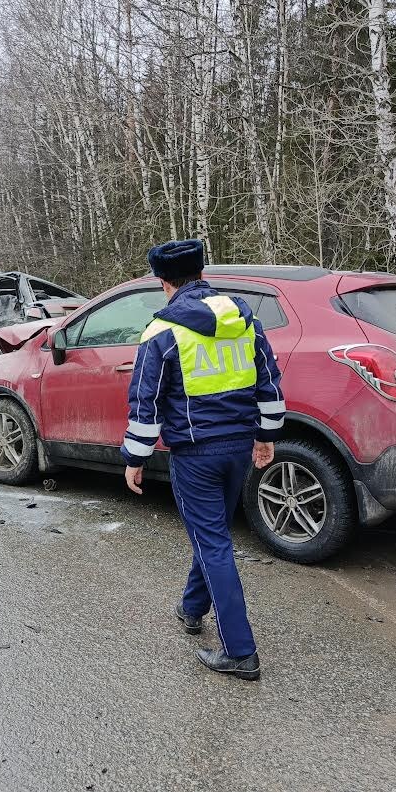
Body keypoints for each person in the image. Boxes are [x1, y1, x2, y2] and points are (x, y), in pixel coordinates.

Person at [121, 239, 285, 681]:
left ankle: (240, 651)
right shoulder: (245, 320)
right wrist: (266, 435)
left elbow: (145, 401)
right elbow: (269, 380)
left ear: (163, 282)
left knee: (213, 541)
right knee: (211, 531)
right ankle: (192, 607)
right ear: (201, 273)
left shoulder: (161, 331)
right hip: (238, 450)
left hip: (195, 454)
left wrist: (134, 458)